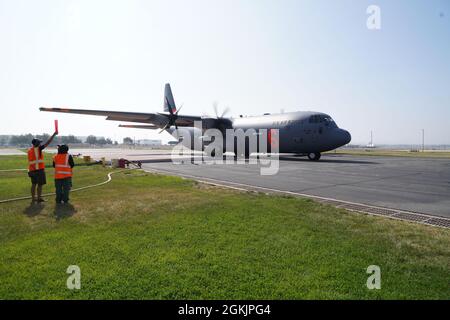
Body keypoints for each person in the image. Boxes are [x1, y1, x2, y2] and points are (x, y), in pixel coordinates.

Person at [28, 132, 57, 203]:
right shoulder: (38, 149)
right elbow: (48, 142)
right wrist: (54, 134)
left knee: (33, 184)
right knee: (40, 185)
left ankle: (33, 198)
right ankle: (39, 198)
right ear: (37, 144)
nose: (40, 144)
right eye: (39, 143)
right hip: (39, 170)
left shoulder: (30, 150)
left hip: (32, 170)